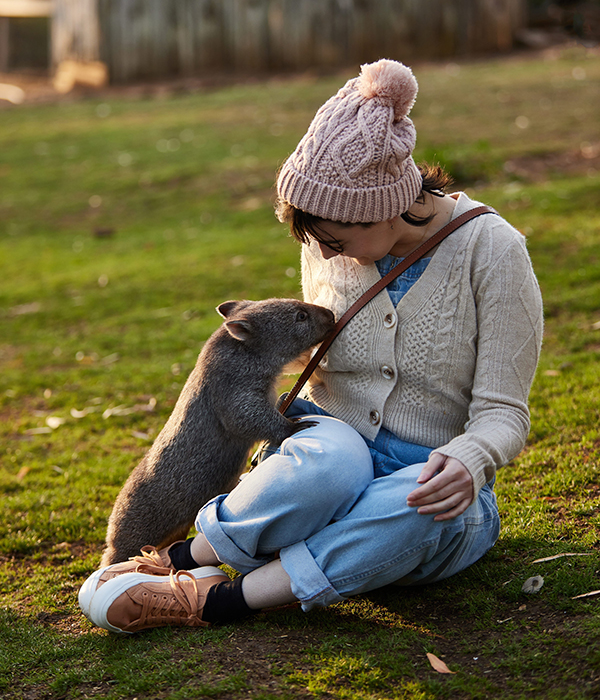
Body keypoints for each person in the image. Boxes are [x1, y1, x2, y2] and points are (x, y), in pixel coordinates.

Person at [79, 58, 543, 634]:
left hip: (428, 490)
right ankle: (181, 561)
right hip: (326, 464)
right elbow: (311, 365)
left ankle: (217, 600)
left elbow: (505, 414)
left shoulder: (493, 252)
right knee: (332, 458)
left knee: (416, 504)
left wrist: (472, 461)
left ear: (377, 208)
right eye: (313, 240)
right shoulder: (329, 243)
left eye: (333, 239)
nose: (323, 255)